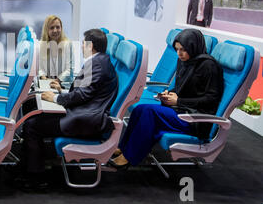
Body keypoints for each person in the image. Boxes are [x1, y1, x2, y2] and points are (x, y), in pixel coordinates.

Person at [17, 29, 119, 191]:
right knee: (34, 114)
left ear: (90, 45)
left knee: (32, 125)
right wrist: (62, 90)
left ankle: (36, 177)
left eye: (83, 44)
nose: (81, 47)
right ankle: (28, 165)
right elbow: (86, 91)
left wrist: (56, 98)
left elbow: (84, 94)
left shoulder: (97, 64)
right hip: (83, 113)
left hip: (85, 120)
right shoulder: (100, 61)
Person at [110, 29, 224, 169]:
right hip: (181, 111)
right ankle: (124, 147)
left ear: (193, 46)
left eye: (183, 49)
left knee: (149, 113)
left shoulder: (209, 66)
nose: (179, 53)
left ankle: (129, 157)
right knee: (139, 109)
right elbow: (182, 87)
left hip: (195, 119)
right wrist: (168, 93)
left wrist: (179, 101)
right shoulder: (185, 61)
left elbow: (211, 99)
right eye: (177, 49)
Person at [38, 15, 73, 83]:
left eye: (58, 27)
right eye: (51, 28)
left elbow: (70, 69)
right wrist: (44, 79)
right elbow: (39, 68)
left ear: (61, 28)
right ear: (46, 30)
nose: (55, 30)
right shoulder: (41, 45)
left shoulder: (67, 44)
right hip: (45, 82)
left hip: (63, 84)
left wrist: (57, 81)